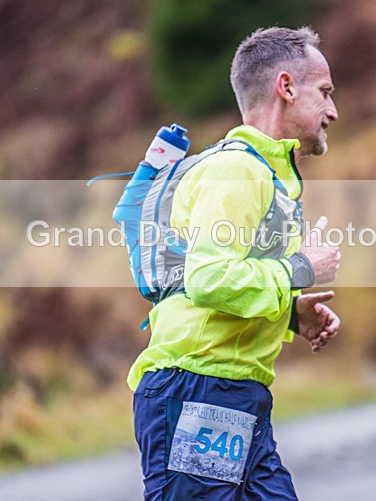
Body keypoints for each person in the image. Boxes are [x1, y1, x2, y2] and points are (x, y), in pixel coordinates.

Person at [128, 26, 342, 499]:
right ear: (286, 88)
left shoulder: (266, 173)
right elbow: (208, 279)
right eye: (325, 93)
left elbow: (221, 281)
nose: (333, 111)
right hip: (198, 388)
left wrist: (288, 312)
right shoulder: (238, 169)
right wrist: (300, 270)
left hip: (234, 392)